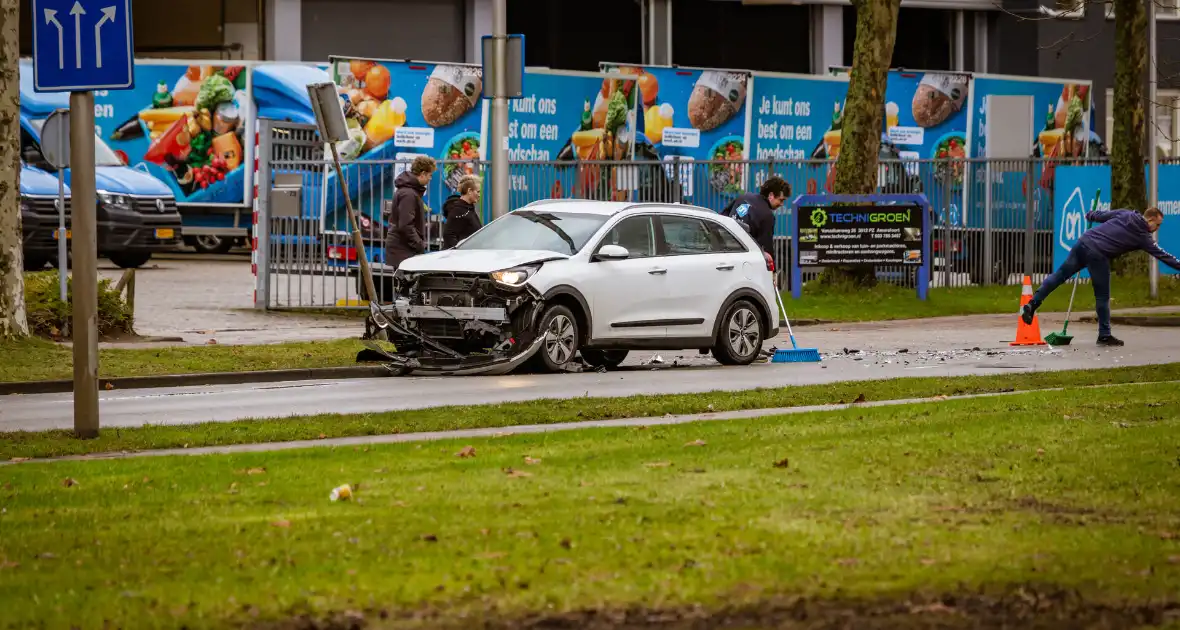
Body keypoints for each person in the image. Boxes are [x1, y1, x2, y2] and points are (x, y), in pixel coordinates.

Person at [1022, 206, 1180, 346]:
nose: (1157, 229)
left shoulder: (1124, 213)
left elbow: (1100, 215)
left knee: (1059, 275)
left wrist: (1091, 215)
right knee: (1102, 296)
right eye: (1157, 225)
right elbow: (1164, 256)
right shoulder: (1143, 236)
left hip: (1083, 242)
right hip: (1099, 254)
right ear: (1150, 219)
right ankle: (1104, 335)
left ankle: (1032, 304)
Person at [385, 155, 436, 270]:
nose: (430, 179)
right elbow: (406, 225)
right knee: (406, 286)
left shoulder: (408, 191)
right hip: (404, 250)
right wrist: (419, 244)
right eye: (430, 175)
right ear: (422, 173)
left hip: (402, 249)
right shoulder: (409, 194)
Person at [720, 175, 790, 256]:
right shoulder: (767, 215)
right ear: (771, 195)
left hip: (723, 250)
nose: (781, 204)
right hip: (743, 256)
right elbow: (766, 246)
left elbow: (723, 216)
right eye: (781, 200)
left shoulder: (743, 197)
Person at [442, 174, 483, 249]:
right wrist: (458, 253)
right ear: (469, 191)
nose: (479, 195)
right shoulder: (458, 210)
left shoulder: (467, 208)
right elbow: (448, 235)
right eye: (478, 192)